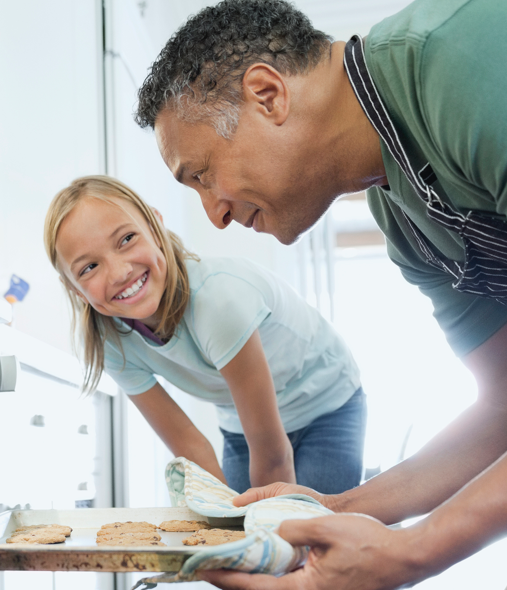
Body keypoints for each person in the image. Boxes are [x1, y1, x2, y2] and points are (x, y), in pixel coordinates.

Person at [133, 0, 507, 588]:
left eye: (203, 174)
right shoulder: (404, 218)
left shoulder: (466, 65)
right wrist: (334, 509)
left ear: (268, 95)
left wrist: (417, 549)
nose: (214, 216)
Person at [43, 175, 366, 496]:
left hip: (326, 403)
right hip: (241, 423)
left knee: (315, 531)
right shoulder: (110, 343)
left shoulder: (218, 300)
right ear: (76, 290)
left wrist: (269, 532)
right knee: (231, 519)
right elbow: (188, 445)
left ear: (155, 227)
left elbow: (272, 454)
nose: (119, 272)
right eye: (89, 268)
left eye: (127, 239)